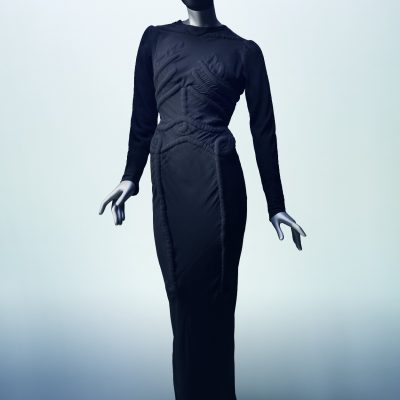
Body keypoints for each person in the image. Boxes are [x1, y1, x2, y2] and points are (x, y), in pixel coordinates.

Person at [99, 1, 306, 398]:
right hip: (170, 182)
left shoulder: (244, 51)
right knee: (182, 301)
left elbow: (264, 130)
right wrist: (130, 176)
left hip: (219, 186)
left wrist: (276, 205)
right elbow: (143, 116)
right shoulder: (155, 40)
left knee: (216, 303)